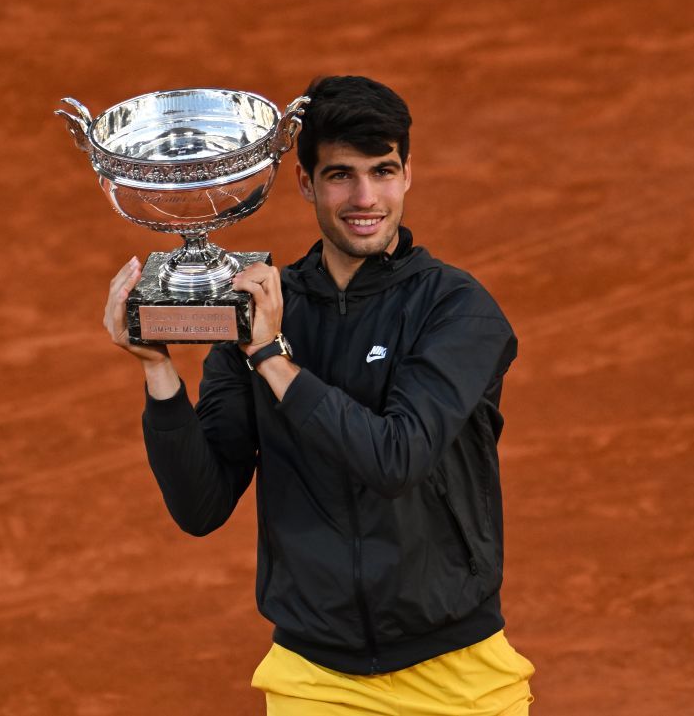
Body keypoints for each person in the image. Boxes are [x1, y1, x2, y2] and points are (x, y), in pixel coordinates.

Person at [103, 75, 534, 715]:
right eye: (340, 176)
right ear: (305, 182)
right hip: (314, 680)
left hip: (459, 679)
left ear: (408, 174)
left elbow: (396, 458)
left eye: (382, 171)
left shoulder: (457, 310)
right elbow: (201, 506)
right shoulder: (261, 307)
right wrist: (158, 373)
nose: (366, 198)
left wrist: (271, 358)